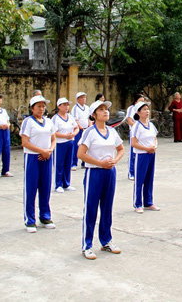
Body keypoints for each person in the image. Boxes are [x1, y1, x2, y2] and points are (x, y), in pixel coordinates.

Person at [77, 99, 124, 260]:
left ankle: (106, 240)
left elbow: (121, 149)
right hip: (94, 173)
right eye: (101, 109)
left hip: (110, 173)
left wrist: (115, 160)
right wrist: (100, 163)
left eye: (106, 109)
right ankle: (87, 245)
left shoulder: (111, 131)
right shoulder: (89, 132)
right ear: (94, 114)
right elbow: (81, 154)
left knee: (107, 207)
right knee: (91, 208)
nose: (106, 112)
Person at [20, 95, 57, 232]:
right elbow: (25, 142)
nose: (41, 109)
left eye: (43, 106)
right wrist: (41, 151)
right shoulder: (28, 122)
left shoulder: (48, 122)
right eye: (39, 106)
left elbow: (53, 139)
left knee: (45, 187)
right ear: (32, 108)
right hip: (33, 158)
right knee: (31, 188)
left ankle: (45, 216)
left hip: (47, 157)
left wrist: (49, 151)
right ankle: (30, 219)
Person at [130, 101, 160, 213]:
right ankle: (138, 203)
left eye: (147, 109)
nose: (147, 111)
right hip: (141, 155)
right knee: (139, 179)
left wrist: (154, 147)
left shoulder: (151, 125)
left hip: (151, 154)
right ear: (138, 112)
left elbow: (155, 138)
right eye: (144, 109)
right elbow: (133, 143)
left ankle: (148, 202)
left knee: (149, 178)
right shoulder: (137, 126)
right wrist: (147, 149)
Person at [52, 98, 79, 193]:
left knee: (68, 162)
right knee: (59, 163)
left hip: (70, 142)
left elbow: (76, 128)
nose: (66, 107)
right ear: (59, 106)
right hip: (60, 143)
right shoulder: (55, 118)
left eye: (67, 105)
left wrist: (73, 134)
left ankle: (66, 183)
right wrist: (65, 136)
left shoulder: (70, 117)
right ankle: (58, 184)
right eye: (64, 105)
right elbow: (53, 132)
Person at [125, 94, 145, 180]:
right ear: (136, 101)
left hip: (142, 134)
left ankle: (139, 172)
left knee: (141, 153)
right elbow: (129, 120)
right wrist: (137, 128)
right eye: (140, 101)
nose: (142, 103)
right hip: (134, 133)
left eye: (143, 101)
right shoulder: (131, 108)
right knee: (132, 153)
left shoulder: (143, 109)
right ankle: (131, 172)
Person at [71, 92, 90, 170]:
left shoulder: (87, 107)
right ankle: (74, 163)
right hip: (79, 129)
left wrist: (89, 125)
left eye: (84, 97)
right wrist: (81, 127)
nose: (83, 99)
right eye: (81, 97)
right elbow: (75, 119)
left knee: (86, 145)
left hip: (86, 129)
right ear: (78, 99)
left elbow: (89, 118)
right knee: (76, 146)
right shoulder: (75, 108)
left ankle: (84, 162)